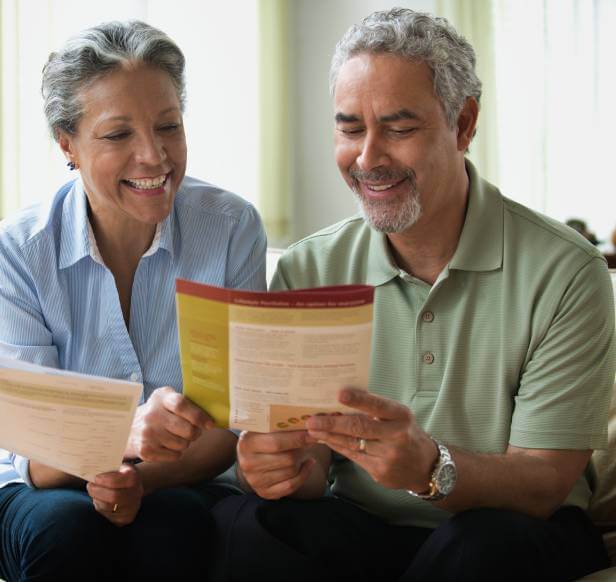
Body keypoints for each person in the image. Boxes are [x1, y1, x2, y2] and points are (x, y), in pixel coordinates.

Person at [211, 8, 614, 581]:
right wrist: (287, 468)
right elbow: (313, 452)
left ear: (464, 123)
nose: (369, 157)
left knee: (481, 547)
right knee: (249, 523)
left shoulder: (567, 271)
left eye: (399, 129)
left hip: (511, 529)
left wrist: (432, 468)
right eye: (351, 129)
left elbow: (545, 481)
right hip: (363, 525)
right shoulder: (309, 268)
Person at [0, 20, 266, 582]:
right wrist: (118, 441)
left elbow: (229, 428)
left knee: (176, 526)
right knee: (67, 530)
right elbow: (34, 453)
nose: (153, 156)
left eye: (168, 126)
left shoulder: (230, 228)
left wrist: (136, 477)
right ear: (67, 145)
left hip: (174, 481)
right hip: (37, 483)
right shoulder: (19, 249)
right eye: (118, 135)